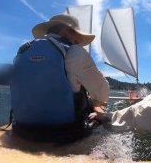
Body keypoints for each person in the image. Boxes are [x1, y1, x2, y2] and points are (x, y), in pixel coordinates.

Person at [10, 13, 109, 142]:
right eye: (77, 36)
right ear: (66, 31)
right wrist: (98, 103)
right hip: (64, 132)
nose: (78, 41)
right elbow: (102, 90)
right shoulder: (75, 52)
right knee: (101, 115)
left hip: (22, 129)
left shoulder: (23, 51)